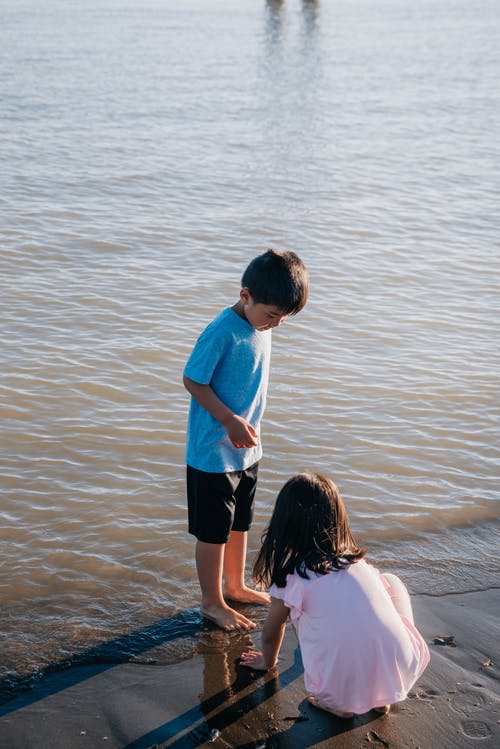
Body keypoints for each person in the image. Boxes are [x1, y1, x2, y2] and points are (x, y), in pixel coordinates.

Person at [183, 249, 309, 632]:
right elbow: (192, 379)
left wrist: (244, 428)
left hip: (247, 449)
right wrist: (229, 420)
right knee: (213, 530)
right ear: (245, 297)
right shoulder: (222, 331)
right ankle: (212, 602)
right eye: (272, 315)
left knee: (240, 523)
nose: (276, 324)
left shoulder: (260, 325)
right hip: (212, 454)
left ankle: (235, 586)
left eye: (284, 318)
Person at [240, 473, 430, 717]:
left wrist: (267, 662)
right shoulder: (356, 562)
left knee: (302, 613)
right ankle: (382, 698)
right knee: (391, 582)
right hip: (400, 670)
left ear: (284, 523)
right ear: (337, 519)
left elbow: (271, 630)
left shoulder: (292, 578)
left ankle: (338, 705)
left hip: (337, 691)